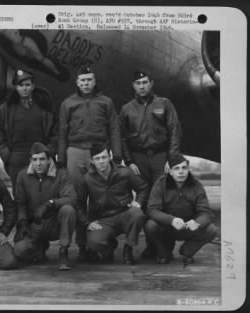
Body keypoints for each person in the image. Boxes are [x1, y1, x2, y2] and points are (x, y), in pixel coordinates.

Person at [58, 66, 122, 260]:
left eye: (89, 80)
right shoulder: (68, 103)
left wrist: (116, 155)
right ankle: (82, 245)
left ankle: (98, 241)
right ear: (77, 82)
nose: (86, 83)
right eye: (82, 80)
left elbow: (114, 128)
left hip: (99, 153)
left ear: (94, 81)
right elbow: (61, 132)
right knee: (77, 199)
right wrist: (61, 158)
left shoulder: (106, 102)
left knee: (98, 199)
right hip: (75, 152)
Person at [120, 69, 182, 259]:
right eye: (138, 83)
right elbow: (122, 137)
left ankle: (165, 246)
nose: (142, 86)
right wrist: (129, 161)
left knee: (163, 200)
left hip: (159, 156)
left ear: (151, 83)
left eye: (145, 82)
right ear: (133, 86)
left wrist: (171, 159)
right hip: (139, 159)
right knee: (145, 201)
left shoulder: (164, 104)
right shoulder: (126, 109)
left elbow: (174, 131)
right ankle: (151, 245)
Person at [75, 144, 148, 265]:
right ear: (92, 161)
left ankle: (128, 248)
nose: (101, 161)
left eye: (104, 157)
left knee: (137, 214)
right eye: (97, 159)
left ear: (110, 157)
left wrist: (139, 202)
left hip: (125, 214)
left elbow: (143, 188)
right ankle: (109, 245)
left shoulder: (124, 172)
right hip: (103, 219)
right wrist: (87, 223)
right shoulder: (87, 179)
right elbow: (79, 204)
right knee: (94, 243)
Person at [144, 154, 218, 264]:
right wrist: (171, 220)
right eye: (176, 168)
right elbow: (151, 210)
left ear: (188, 170)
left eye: (184, 168)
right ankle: (164, 252)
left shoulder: (196, 185)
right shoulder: (161, 184)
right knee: (150, 225)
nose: (181, 172)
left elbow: (206, 212)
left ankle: (187, 251)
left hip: (188, 227)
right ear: (170, 172)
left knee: (212, 230)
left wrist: (197, 223)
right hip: (167, 227)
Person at [14, 142, 76, 270]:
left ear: (49, 160)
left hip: (55, 223)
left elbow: (71, 198)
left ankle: (63, 251)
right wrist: (23, 223)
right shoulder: (23, 176)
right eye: (35, 160)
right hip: (36, 223)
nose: (38, 163)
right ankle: (39, 248)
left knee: (68, 210)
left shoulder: (61, 174)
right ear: (30, 160)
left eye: (42, 159)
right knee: (19, 251)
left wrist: (51, 204)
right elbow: (21, 204)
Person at [0, 69, 58, 194]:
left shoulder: (45, 106)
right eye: (21, 85)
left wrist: (49, 152)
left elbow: (55, 132)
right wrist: (7, 155)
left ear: (33, 86)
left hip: (40, 157)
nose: (24, 88)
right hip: (16, 156)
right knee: (20, 195)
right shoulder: (6, 108)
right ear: (16, 87)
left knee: (41, 193)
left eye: (27, 85)